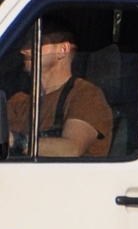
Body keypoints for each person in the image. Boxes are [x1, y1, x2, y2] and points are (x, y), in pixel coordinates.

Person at [6, 23, 112, 159]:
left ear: (63, 49)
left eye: (35, 42)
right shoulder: (19, 99)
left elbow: (72, 148)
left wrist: (15, 141)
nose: (23, 50)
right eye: (24, 43)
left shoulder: (86, 95)